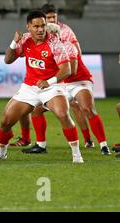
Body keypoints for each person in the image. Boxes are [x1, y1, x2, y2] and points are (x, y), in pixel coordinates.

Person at [0, 10, 84, 164]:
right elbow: (8, 60)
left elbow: (67, 70)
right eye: (36, 26)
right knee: (5, 121)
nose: (40, 29)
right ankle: (1, 153)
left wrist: (49, 81)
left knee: (63, 114)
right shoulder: (26, 40)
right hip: (29, 87)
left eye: (43, 26)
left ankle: (77, 155)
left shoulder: (55, 43)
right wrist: (14, 42)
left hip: (51, 87)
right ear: (28, 26)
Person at [22, 23, 111, 156]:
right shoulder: (47, 47)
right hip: (61, 84)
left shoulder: (68, 47)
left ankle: (103, 145)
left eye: (51, 34)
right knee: (36, 110)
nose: (49, 37)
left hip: (78, 81)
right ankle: (41, 145)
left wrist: (50, 79)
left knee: (86, 108)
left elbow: (72, 71)